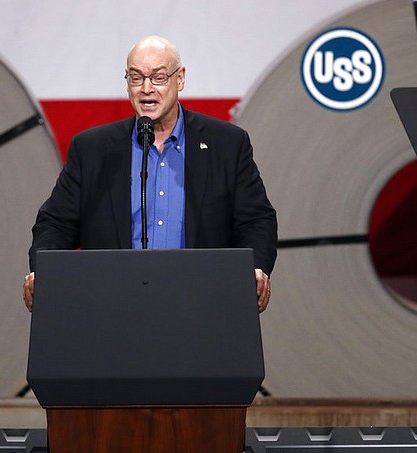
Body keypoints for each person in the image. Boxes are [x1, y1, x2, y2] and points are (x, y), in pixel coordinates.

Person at [23, 35, 277, 312]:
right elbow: (56, 223)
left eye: (158, 78)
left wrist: (256, 267)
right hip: (110, 307)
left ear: (179, 79)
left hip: (202, 305)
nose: (146, 89)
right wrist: (44, 269)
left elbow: (256, 220)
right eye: (135, 78)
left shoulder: (226, 144)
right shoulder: (92, 149)